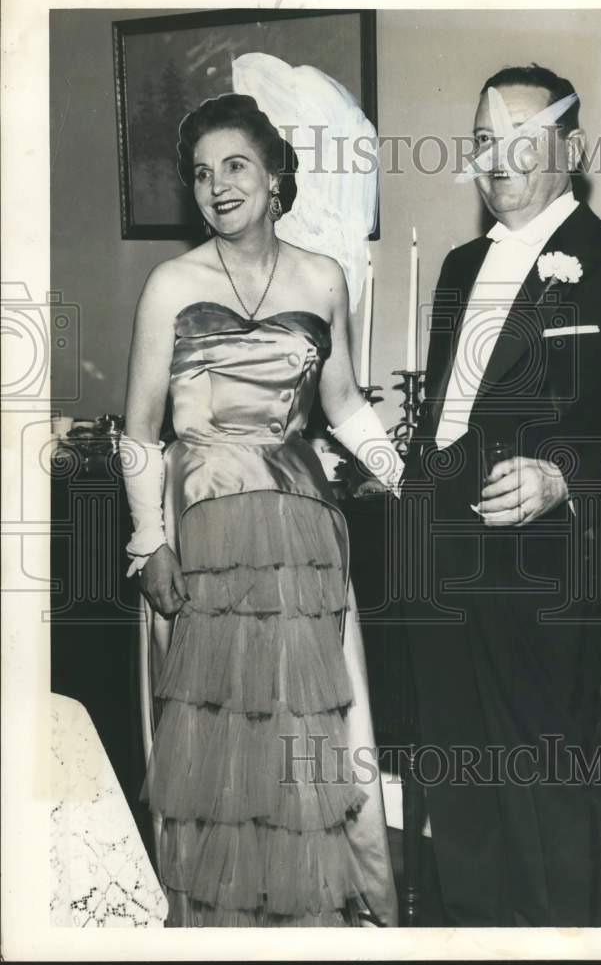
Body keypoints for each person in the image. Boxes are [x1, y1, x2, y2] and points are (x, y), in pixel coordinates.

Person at [401, 64, 601, 926]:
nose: (497, 158)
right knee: (462, 798)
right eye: (483, 140)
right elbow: (450, 413)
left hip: (551, 579)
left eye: (521, 140)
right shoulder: (460, 267)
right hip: (440, 565)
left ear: (571, 150)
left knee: (550, 800)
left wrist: (565, 474)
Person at [122, 76, 402, 927]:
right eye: (202, 173)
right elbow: (139, 432)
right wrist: (148, 542)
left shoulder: (322, 279)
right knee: (217, 742)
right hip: (201, 534)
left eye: (236, 166)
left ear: (276, 176)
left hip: (300, 533)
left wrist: (409, 477)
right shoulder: (171, 284)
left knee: (302, 729)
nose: (219, 187)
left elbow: (344, 404)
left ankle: (309, 922)